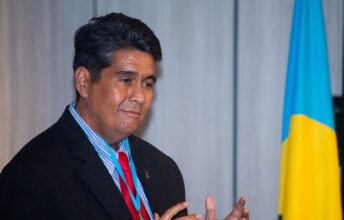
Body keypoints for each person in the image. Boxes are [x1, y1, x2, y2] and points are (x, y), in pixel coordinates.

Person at [0, 13, 249, 220]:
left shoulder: (164, 170)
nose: (140, 96)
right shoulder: (30, 177)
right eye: (126, 80)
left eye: (148, 83)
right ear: (84, 81)